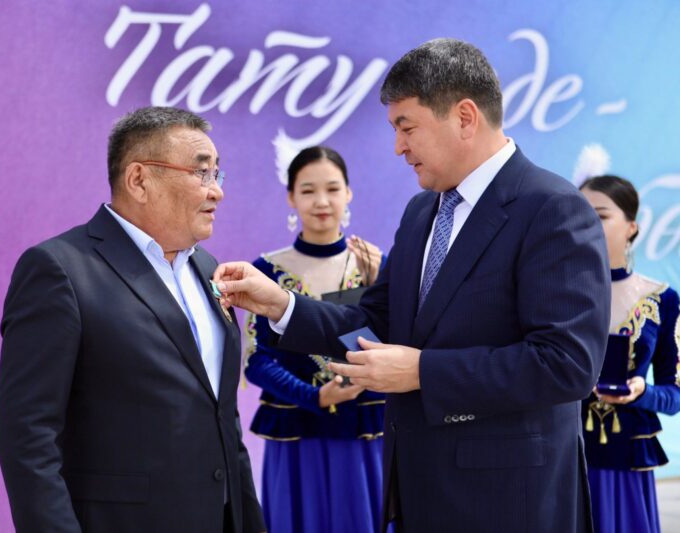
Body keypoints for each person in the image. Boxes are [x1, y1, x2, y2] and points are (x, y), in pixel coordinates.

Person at [213, 38, 610, 532]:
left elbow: (567, 364)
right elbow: (375, 320)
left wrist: (424, 371)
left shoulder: (552, 208)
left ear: (464, 117)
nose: (398, 147)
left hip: (512, 500)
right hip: (419, 490)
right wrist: (281, 305)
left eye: (407, 127)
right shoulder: (422, 210)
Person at [0, 107, 265, 533]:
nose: (217, 192)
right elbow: (27, 435)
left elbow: (223, 421)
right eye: (201, 173)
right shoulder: (60, 269)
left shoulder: (208, 269)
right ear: (138, 179)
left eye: (217, 174)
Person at [244, 146, 386, 533]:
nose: (322, 201)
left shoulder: (376, 265)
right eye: (308, 191)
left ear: (349, 193)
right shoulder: (266, 270)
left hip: (365, 431)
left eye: (332, 189)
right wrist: (315, 396)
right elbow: (256, 359)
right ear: (291, 197)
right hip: (296, 430)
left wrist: (376, 287)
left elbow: (398, 349)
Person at [579, 175, 680, 533]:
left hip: (628, 457)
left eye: (601, 215)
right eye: (580, 214)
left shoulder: (663, 299)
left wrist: (642, 391)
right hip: (563, 453)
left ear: (631, 227)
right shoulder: (555, 291)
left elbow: (674, 395)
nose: (588, 224)